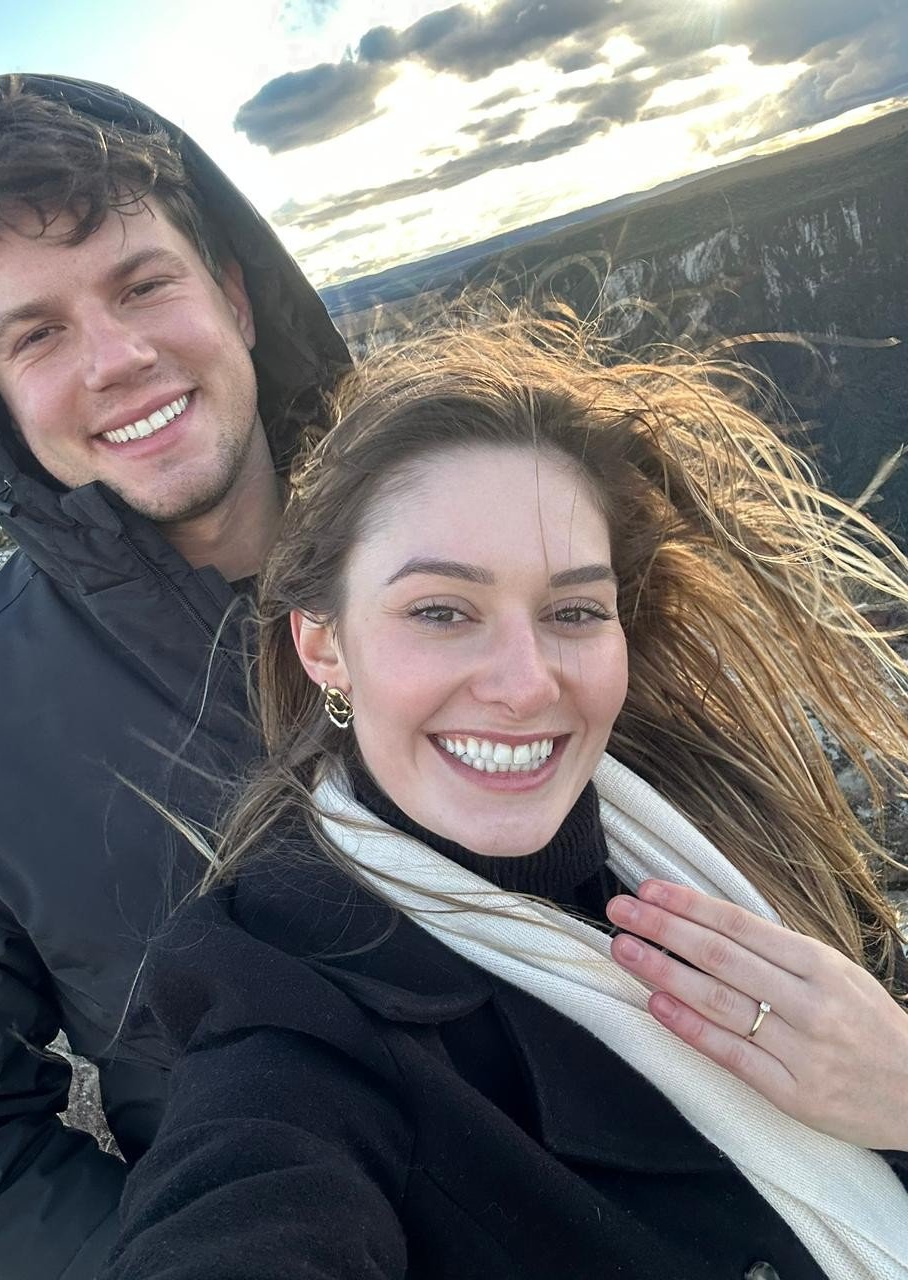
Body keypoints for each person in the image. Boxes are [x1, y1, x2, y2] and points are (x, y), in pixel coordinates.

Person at [99, 316, 908, 1280]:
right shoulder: (293, 1027)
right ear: (323, 645)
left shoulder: (722, 822)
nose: (525, 685)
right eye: (441, 611)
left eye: (573, 611)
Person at [0, 70, 349, 1280]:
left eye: (143, 284)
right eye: (36, 334)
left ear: (234, 292)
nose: (118, 358)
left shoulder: (489, 529)